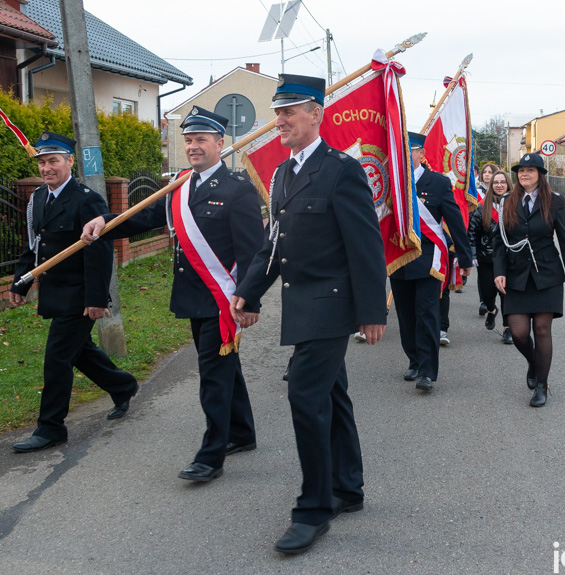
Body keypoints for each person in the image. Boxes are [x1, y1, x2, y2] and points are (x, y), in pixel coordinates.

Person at [231, 74, 387, 554]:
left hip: (332, 302)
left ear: (316, 113)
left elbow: (365, 246)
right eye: (277, 111)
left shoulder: (342, 169)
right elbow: (274, 242)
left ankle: (313, 508)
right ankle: (347, 487)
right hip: (301, 302)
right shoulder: (281, 175)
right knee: (332, 395)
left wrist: (372, 310)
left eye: (289, 111)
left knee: (305, 395)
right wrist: (250, 292)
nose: (280, 120)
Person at [81, 108, 263, 481]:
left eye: (201, 140)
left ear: (220, 143)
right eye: (189, 140)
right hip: (192, 297)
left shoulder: (238, 190)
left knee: (213, 376)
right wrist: (105, 224)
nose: (193, 147)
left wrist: (250, 300)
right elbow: (143, 217)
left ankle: (210, 456)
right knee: (225, 367)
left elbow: (253, 252)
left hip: (223, 300)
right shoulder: (180, 185)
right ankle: (242, 433)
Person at [9, 131, 139, 453]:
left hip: (79, 294)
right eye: (42, 162)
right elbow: (34, 245)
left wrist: (96, 299)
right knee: (78, 351)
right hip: (54, 290)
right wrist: (21, 282)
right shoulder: (38, 198)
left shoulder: (86, 199)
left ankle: (51, 428)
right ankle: (123, 386)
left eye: (53, 160)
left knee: (57, 356)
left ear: (69, 161)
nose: (46, 168)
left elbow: (100, 252)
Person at [493, 153, 565, 407]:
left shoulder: (555, 201)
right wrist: (498, 271)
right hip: (516, 276)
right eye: (521, 171)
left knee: (542, 329)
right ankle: (534, 363)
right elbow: (499, 240)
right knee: (519, 333)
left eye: (530, 171)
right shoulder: (506, 201)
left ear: (540, 175)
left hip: (547, 274)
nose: (524, 174)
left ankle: (541, 385)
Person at [390, 132, 472, 391]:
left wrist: (465, 256)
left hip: (428, 258)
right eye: (402, 149)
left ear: (421, 154)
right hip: (399, 257)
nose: (406, 154)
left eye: (411, 149)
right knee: (405, 314)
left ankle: (427, 371)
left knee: (426, 313)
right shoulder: (392, 182)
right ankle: (413, 360)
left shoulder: (437, 182)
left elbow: (454, 220)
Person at [469, 169, 512, 344]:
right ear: (491, 186)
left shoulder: (516, 205)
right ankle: (492, 310)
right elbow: (472, 232)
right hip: (486, 258)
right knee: (487, 295)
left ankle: (507, 328)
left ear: (508, 184)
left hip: (509, 259)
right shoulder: (482, 206)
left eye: (503, 182)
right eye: (496, 182)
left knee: (506, 294)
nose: (499, 185)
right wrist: (472, 255)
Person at [475, 162, 499, 315]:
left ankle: (506, 325)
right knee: (485, 280)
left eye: (491, 172)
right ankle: (486, 302)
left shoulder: (505, 195)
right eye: (485, 172)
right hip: (483, 245)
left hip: (500, 248)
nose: (487, 175)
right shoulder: (477, 191)